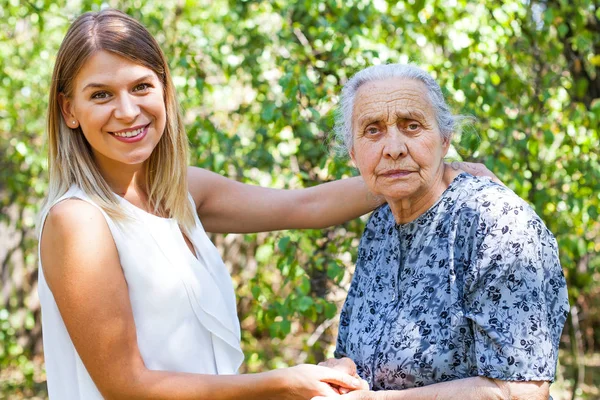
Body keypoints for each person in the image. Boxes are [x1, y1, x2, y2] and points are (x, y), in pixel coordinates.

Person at [37, 9, 497, 399]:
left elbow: (304, 208)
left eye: (141, 87)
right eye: (101, 95)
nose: (127, 111)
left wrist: (421, 170)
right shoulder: (78, 220)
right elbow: (126, 384)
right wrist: (282, 382)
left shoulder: (180, 191)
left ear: (163, 91)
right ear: (69, 110)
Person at [314, 64, 570, 400]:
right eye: (373, 131)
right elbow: (359, 354)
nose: (393, 147)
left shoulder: (493, 220)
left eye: (412, 126)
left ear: (445, 139)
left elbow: (520, 390)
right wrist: (341, 373)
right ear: (352, 152)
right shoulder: (382, 224)